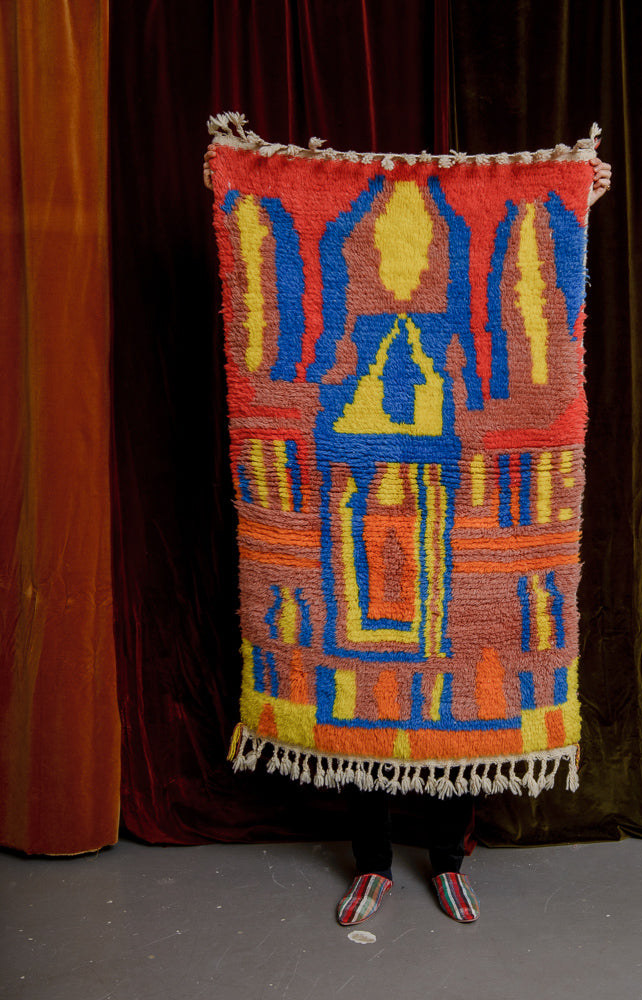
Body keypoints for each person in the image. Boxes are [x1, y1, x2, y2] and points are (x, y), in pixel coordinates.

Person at [204, 139, 611, 926]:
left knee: (463, 690)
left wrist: (574, 200)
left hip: (451, 511)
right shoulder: (346, 350)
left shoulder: (455, 345)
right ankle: (374, 865)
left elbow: (528, 268)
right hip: (350, 515)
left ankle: (451, 861)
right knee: (362, 703)